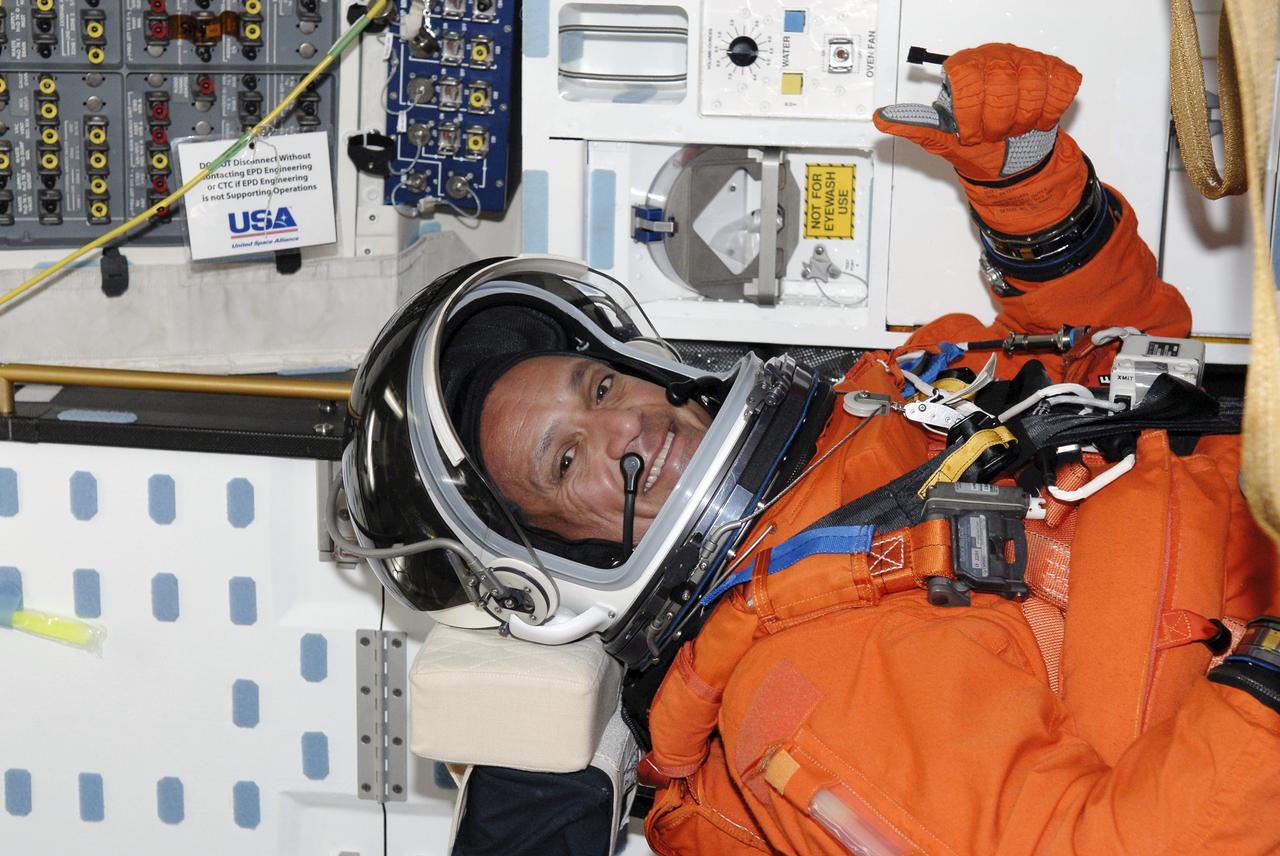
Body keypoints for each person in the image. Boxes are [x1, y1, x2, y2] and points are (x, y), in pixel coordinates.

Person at [341, 44, 1280, 855]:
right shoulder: (800, 694)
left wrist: (1029, 188)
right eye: (566, 460)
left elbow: (1134, 385)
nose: (623, 424)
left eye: (596, 386)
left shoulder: (872, 407)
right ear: (567, 559)